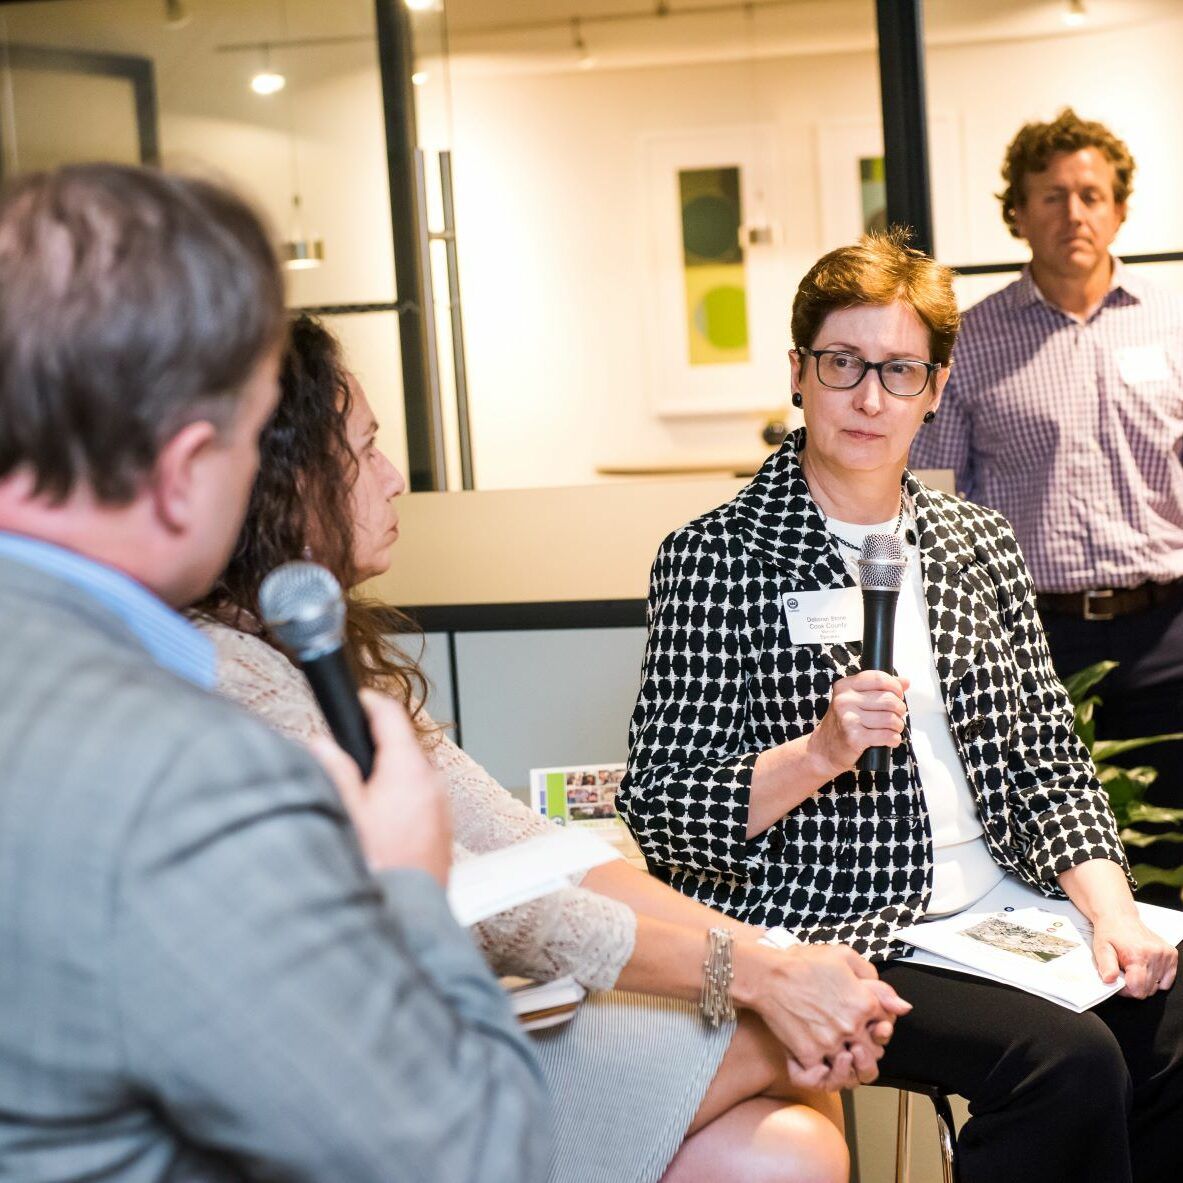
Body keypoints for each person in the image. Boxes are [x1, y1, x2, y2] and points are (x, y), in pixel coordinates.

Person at [196, 314, 914, 1183]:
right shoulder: (233, 676)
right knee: (779, 1048)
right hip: (388, 1080)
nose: (392, 480)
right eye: (367, 448)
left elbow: (531, 846)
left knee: (792, 1150)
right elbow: (500, 909)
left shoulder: (312, 655)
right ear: (287, 480)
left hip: (455, 1024)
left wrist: (782, 960)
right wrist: (758, 974)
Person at [0, 163, 549, 1181]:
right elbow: (465, 1154)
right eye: (256, 436)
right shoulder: (184, 773)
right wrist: (403, 889)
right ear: (182, 470)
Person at [618, 229, 1183, 1183]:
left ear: (935, 388)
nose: (870, 398)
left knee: (1169, 1022)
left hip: (1003, 907)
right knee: (1065, 1063)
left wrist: (1113, 911)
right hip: (841, 925)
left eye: (900, 371)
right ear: (797, 373)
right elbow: (663, 808)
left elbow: (1046, 756)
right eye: (843, 364)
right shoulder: (715, 555)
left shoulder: (978, 542)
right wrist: (817, 751)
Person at [910, 108, 1183, 801]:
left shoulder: (1173, 323)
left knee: (1171, 851)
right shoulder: (969, 341)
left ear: (1118, 210)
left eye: (1091, 196)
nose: (1074, 213)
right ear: (1017, 214)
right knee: (1050, 846)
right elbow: (934, 499)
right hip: (1032, 644)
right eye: (1051, 196)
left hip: (1169, 638)